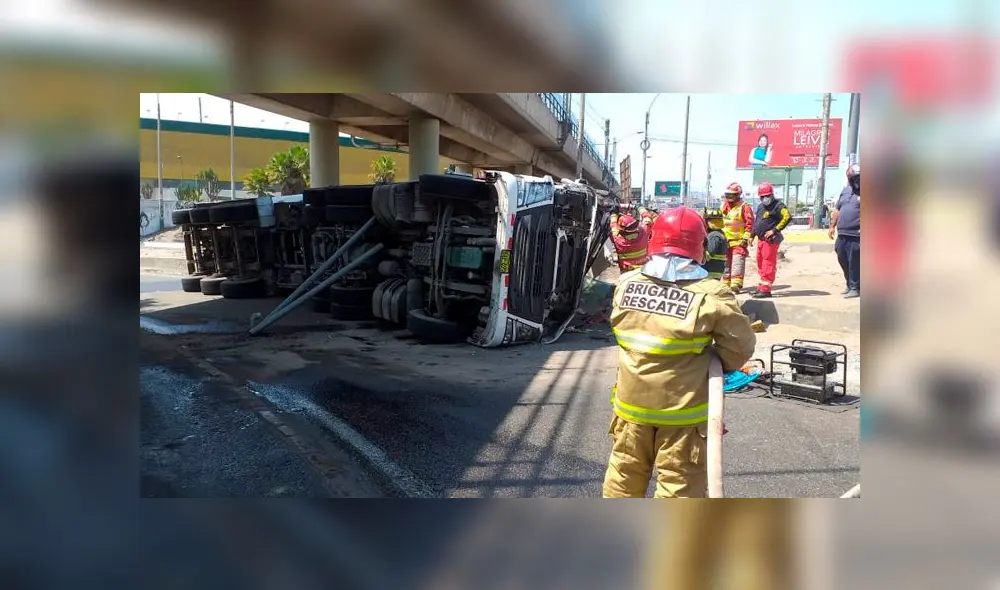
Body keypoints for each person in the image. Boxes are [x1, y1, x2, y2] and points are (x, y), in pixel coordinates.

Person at [603, 206, 756, 498]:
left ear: (653, 239)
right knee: (678, 489)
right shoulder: (712, 294)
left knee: (622, 481)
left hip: (630, 411)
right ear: (699, 247)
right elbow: (739, 349)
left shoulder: (625, 285)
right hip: (682, 418)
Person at [749, 182, 791, 298]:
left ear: (771, 195)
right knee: (760, 263)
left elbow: (787, 217)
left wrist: (774, 230)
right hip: (761, 240)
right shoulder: (761, 207)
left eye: (766, 196)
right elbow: (757, 222)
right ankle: (761, 287)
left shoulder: (778, 206)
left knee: (768, 263)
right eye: (762, 197)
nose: (764, 199)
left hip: (770, 240)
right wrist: (752, 235)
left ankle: (766, 290)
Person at [829, 164, 861, 298]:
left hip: (857, 235)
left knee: (855, 261)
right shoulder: (845, 191)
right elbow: (837, 209)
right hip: (842, 234)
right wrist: (832, 225)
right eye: (855, 178)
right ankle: (849, 284)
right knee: (842, 258)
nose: (858, 181)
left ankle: (856, 287)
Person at [719, 182, 755, 294]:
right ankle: (725, 284)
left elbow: (750, 224)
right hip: (725, 240)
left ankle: (735, 285)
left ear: (738, 195)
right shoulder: (723, 206)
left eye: (731, 195)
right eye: (727, 194)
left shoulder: (744, 207)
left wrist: (746, 238)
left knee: (737, 263)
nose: (729, 197)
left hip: (738, 241)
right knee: (725, 263)